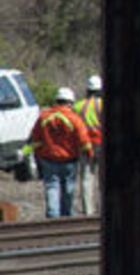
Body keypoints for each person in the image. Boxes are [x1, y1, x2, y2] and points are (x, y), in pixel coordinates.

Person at [25, 87, 93, 218]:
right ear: (70, 102)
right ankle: (66, 216)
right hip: (69, 160)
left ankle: (53, 216)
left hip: (48, 159)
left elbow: (35, 138)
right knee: (68, 188)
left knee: (52, 186)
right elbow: (84, 140)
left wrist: (32, 154)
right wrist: (89, 153)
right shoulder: (74, 119)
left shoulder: (44, 117)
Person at [72, 74, 103, 215]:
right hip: (101, 144)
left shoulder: (78, 106)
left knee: (86, 177)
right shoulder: (103, 104)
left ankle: (88, 210)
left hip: (84, 145)